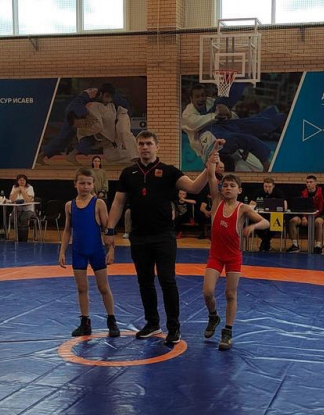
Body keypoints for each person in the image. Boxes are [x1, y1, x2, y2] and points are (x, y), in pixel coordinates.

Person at [102, 130, 219, 345]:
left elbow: (194, 187)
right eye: (141, 144)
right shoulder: (128, 173)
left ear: (157, 146)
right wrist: (109, 230)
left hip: (163, 236)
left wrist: (208, 166)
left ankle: (174, 327)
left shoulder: (169, 171)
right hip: (139, 236)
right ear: (137, 147)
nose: (145, 147)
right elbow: (118, 202)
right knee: (144, 281)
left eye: (149, 143)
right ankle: (152, 323)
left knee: (167, 281)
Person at [201, 156, 269, 350]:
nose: (228, 188)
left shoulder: (243, 208)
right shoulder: (216, 202)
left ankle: (228, 332)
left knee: (230, 294)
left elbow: (266, 222)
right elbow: (211, 175)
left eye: (232, 186)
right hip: (215, 255)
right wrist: (214, 155)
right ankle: (213, 316)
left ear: (239, 190)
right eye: (225, 185)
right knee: (207, 292)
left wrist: (253, 226)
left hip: (233, 257)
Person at [59, 168, 120, 338]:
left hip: (96, 251)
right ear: (75, 184)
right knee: (82, 288)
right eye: (82, 183)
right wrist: (62, 251)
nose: (85, 187)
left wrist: (111, 250)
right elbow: (67, 230)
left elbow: (108, 229)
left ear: (93, 185)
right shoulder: (69, 205)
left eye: (88, 183)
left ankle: (111, 320)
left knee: (103, 287)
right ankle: (85, 322)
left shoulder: (98, 204)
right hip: (78, 251)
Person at [181, 83, 285, 172]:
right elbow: (194, 124)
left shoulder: (210, 102)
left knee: (249, 124)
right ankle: (267, 164)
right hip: (207, 138)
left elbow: (232, 117)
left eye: (203, 95)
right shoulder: (187, 114)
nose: (201, 99)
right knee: (246, 140)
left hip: (222, 128)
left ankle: (279, 117)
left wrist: (228, 113)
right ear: (191, 98)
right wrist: (217, 114)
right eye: (197, 96)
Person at [38, 84, 132, 166]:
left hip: (87, 118)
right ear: (100, 93)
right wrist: (85, 115)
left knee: (90, 136)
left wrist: (125, 118)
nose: (108, 100)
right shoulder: (90, 93)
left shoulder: (113, 97)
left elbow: (125, 105)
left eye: (110, 98)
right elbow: (76, 104)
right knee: (64, 138)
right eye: (107, 96)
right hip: (74, 114)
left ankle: (72, 155)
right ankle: (42, 155)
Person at [287, 175, 324, 254]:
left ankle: (318, 246)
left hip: (317, 216)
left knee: (319, 222)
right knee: (293, 221)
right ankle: (295, 245)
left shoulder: (321, 193)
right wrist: (304, 217)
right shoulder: (303, 193)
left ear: (315, 183)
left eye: (310, 182)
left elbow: (320, 209)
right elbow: (301, 207)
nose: (308, 184)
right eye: (307, 182)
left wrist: (311, 217)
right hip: (304, 216)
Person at [252, 177, 286, 251]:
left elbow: (285, 205)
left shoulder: (278, 192)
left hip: (274, 216)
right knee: (254, 222)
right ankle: (266, 242)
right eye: (265, 186)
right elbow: (251, 204)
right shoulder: (258, 192)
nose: (267, 188)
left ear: (273, 186)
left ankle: (264, 242)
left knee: (277, 223)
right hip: (261, 215)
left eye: (269, 187)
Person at [9, 174, 36, 242]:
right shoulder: (14, 187)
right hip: (17, 209)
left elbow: (28, 200)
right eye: (20, 180)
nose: (22, 181)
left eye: (24, 180)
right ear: (17, 181)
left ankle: (23, 238)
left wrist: (23, 191)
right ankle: (17, 236)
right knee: (13, 218)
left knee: (23, 218)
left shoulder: (30, 188)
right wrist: (16, 191)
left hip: (28, 209)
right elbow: (12, 199)